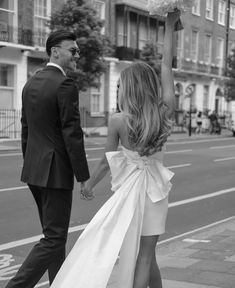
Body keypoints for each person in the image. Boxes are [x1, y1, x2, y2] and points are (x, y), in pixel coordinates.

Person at [50, 11, 179, 288]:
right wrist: (169, 26)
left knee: (136, 258)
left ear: (128, 89)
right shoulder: (164, 112)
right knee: (147, 256)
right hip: (156, 193)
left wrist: (89, 185)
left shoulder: (119, 120)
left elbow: (107, 161)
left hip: (131, 194)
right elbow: (166, 65)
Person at [5, 30, 90, 288]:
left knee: (55, 237)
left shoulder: (31, 83)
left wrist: (31, 163)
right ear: (55, 51)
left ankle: (59, 284)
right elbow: (72, 134)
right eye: (73, 50)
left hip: (35, 171)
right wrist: (84, 177)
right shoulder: (64, 84)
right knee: (54, 238)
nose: (77, 55)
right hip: (55, 173)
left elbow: (26, 130)